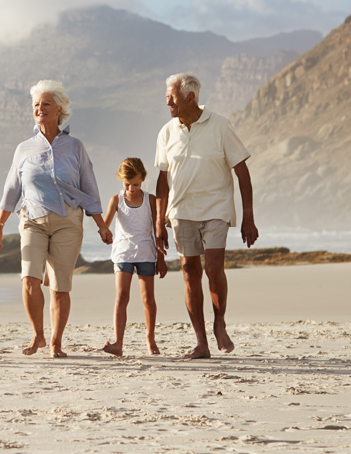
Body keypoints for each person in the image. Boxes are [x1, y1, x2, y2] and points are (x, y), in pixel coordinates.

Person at [0, 80, 113, 358]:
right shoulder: (24, 148)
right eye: (36, 105)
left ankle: (57, 342)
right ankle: (38, 335)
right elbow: (11, 189)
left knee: (59, 287)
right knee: (29, 280)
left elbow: (89, 188)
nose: (40, 109)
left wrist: (101, 225)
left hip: (68, 221)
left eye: (46, 104)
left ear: (60, 109)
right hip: (32, 219)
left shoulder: (75, 146)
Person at [154, 72, 258, 359]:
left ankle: (219, 322)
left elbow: (242, 172)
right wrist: (158, 221)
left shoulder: (220, 125)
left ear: (190, 98)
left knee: (213, 268)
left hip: (216, 207)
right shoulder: (166, 132)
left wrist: (248, 216)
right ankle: (201, 342)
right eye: (166, 98)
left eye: (171, 97)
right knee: (189, 273)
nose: (168, 103)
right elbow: (162, 181)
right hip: (180, 211)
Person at [101, 157, 167, 357]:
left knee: (148, 299)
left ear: (143, 179)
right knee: (122, 296)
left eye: (135, 184)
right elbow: (105, 225)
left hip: (147, 253)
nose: (131, 188)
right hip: (123, 253)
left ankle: (150, 339)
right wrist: (105, 233)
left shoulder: (150, 200)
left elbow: (157, 231)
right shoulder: (117, 199)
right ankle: (118, 343)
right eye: (126, 184)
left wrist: (161, 259)